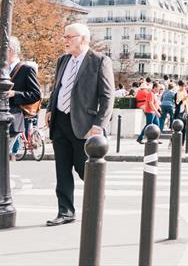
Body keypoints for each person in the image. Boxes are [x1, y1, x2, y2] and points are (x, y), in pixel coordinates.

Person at [45, 23, 114, 225]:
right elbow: (58, 88)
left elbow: (107, 96)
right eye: (64, 36)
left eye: (69, 37)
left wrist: (99, 124)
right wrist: (50, 109)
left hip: (85, 125)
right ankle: (65, 211)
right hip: (60, 122)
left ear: (83, 39)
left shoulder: (99, 61)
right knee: (62, 170)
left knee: (83, 169)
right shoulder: (63, 60)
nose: (65, 40)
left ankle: (97, 200)